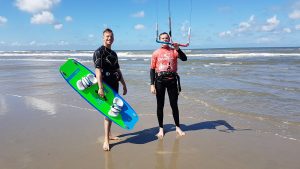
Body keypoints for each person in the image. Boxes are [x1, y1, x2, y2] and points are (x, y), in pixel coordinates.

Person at [93, 28, 127, 151]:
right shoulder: (99, 52)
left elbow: (117, 70)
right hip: (106, 86)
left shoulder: (113, 54)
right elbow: (98, 71)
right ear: (103, 37)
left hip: (115, 84)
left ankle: (110, 135)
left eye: (111, 36)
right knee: (108, 112)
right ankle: (106, 140)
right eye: (107, 36)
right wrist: (100, 88)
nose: (109, 38)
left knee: (113, 110)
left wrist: (124, 84)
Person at [150, 32, 187, 138]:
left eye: (166, 38)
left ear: (169, 39)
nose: (164, 40)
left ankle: (178, 127)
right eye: (162, 38)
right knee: (160, 105)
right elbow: (152, 69)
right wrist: (152, 84)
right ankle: (161, 129)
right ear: (159, 39)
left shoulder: (174, 51)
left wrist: (178, 48)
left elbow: (184, 59)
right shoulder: (156, 53)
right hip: (160, 81)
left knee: (174, 105)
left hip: (172, 81)